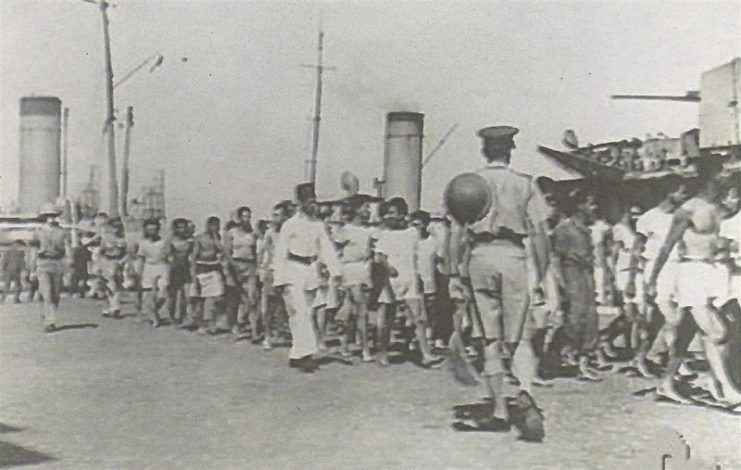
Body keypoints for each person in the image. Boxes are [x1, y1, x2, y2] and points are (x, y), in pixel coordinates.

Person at [448, 126, 550, 430]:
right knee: (519, 334)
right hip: (514, 255)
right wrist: (542, 276)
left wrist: (455, 272)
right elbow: (540, 234)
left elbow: (456, 233)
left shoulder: (468, 185)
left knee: (489, 337)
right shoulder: (525, 185)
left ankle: (500, 412)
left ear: (484, 151)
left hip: (480, 256)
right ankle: (526, 391)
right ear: (510, 150)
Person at [646, 157, 734, 404]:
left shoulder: (719, 209)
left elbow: (715, 241)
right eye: (723, 174)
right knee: (718, 333)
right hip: (690, 273)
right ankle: (724, 387)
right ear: (711, 177)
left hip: (712, 272)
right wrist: (652, 281)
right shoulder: (688, 209)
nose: (728, 177)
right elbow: (666, 247)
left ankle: (666, 383)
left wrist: (725, 249)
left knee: (685, 335)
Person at [273, 183, 342, 372]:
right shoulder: (289, 225)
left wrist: (336, 271)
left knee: (305, 313)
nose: (312, 204)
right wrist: (279, 279)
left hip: (311, 270)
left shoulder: (318, 225)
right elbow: (280, 253)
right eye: (308, 201)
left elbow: (327, 249)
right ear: (299, 202)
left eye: (314, 200)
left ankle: (297, 353)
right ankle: (306, 355)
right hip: (293, 269)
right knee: (299, 312)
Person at [375, 197, 442, 367]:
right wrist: (387, 267)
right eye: (387, 213)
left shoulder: (413, 233)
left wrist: (421, 277)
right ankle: (382, 351)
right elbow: (379, 257)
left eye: (392, 213)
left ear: (402, 215)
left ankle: (426, 354)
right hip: (391, 281)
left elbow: (421, 252)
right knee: (388, 320)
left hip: (410, 279)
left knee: (419, 318)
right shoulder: (384, 234)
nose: (388, 217)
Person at [631, 178, 690, 370]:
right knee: (666, 318)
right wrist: (636, 278)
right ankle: (662, 358)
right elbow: (636, 248)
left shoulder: (683, 217)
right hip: (657, 269)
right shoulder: (649, 218)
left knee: (671, 317)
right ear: (670, 192)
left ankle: (655, 356)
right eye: (682, 192)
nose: (684, 197)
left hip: (679, 269)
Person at [551, 188, 603, 381]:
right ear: (580, 206)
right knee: (574, 320)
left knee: (590, 320)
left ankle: (583, 363)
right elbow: (556, 258)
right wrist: (561, 285)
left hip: (585, 275)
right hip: (571, 275)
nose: (594, 208)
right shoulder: (564, 228)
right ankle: (554, 352)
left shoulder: (586, 229)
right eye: (590, 204)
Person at [333, 202, 374, 361]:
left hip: (364, 269)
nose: (368, 211)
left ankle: (344, 346)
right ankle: (365, 349)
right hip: (350, 269)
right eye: (365, 208)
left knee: (351, 310)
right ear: (357, 210)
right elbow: (335, 248)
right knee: (361, 310)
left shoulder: (368, 230)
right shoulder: (346, 230)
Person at [33, 203, 71, 332]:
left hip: (58, 263)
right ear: (44, 217)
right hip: (43, 264)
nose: (52, 218)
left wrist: (68, 265)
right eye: (49, 216)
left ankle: (48, 314)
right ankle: (50, 321)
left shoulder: (62, 232)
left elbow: (68, 248)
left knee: (55, 294)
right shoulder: (38, 232)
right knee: (47, 293)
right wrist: (31, 268)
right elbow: (32, 250)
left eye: (54, 216)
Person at [224, 206, 260, 338]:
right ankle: (234, 325)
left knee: (251, 299)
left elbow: (255, 252)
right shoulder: (232, 232)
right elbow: (227, 252)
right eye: (244, 216)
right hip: (235, 266)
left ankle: (254, 330)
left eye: (249, 216)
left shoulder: (252, 234)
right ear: (239, 218)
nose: (247, 219)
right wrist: (232, 266)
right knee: (235, 298)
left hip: (249, 266)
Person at [258, 202, 290, 350]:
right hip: (272, 272)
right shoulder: (270, 233)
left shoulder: (290, 232)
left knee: (288, 306)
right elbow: (262, 252)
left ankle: (286, 333)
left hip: (289, 272)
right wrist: (262, 270)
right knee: (270, 305)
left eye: (277, 215)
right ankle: (268, 336)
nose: (274, 218)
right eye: (273, 215)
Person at [191, 216, 226, 335]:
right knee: (203, 298)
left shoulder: (217, 238)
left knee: (218, 296)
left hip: (214, 268)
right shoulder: (200, 238)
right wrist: (194, 275)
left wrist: (216, 239)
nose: (218, 228)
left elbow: (222, 250)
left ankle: (212, 321)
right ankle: (204, 323)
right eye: (216, 226)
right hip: (202, 269)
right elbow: (195, 256)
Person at [137, 218, 172, 327]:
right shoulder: (143, 244)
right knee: (150, 295)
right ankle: (154, 318)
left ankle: (154, 311)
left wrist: (169, 268)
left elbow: (169, 257)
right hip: (149, 267)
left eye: (154, 229)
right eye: (150, 230)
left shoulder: (163, 243)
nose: (152, 232)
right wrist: (139, 273)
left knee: (162, 294)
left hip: (162, 267)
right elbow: (141, 259)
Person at [99, 217, 129, 319]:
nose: (116, 229)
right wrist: (101, 264)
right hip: (107, 262)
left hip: (119, 262)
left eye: (118, 227)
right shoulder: (106, 238)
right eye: (113, 226)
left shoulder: (123, 239)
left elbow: (128, 253)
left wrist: (122, 262)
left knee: (117, 284)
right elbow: (101, 252)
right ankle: (113, 306)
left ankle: (115, 306)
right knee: (108, 285)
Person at [169, 218, 195, 328]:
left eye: (183, 227)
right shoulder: (171, 241)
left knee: (187, 295)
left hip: (186, 269)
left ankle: (183, 316)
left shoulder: (191, 241)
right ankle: (172, 316)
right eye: (179, 227)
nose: (182, 229)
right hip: (174, 269)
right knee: (173, 296)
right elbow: (166, 254)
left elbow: (193, 255)